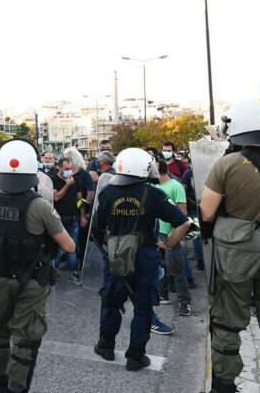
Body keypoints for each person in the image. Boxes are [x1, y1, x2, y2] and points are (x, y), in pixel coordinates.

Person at [0, 139, 76, 393]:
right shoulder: (40, 205)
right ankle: (16, 388)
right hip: (31, 283)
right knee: (25, 340)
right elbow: (69, 247)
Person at [91, 148, 190, 372]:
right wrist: (167, 244)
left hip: (117, 254)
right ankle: (136, 356)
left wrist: (111, 243)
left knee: (111, 301)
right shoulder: (154, 194)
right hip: (145, 256)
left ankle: (106, 346)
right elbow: (184, 223)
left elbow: (97, 229)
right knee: (143, 306)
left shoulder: (107, 192)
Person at [199, 100, 260, 393]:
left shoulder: (228, 164)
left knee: (227, 318)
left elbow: (207, 213)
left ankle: (224, 385)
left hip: (237, 250)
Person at [154, 159, 191, 316]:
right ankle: (163, 295)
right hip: (159, 233)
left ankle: (184, 303)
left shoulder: (175, 186)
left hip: (171, 233)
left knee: (176, 269)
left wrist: (173, 235)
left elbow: (182, 214)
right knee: (161, 266)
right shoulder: (155, 187)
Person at [51, 157, 86, 285]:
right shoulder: (53, 180)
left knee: (72, 245)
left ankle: (73, 273)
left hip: (73, 218)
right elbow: (56, 198)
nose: (69, 171)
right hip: (57, 219)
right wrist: (67, 185)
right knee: (55, 246)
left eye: (70, 169)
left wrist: (83, 215)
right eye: (66, 169)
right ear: (59, 167)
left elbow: (80, 200)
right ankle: (54, 272)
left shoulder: (76, 180)